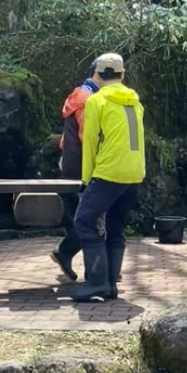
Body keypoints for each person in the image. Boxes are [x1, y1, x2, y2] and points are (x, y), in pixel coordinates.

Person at [69, 52, 146, 303]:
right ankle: (110, 285)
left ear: (98, 75)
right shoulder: (136, 102)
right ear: (123, 75)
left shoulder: (97, 101)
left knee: (83, 221)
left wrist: (86, 180)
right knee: (116, 227)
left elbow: (90, 144)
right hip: (134, 175)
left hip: (109, 173)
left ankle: (97, 282)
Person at [49, 60, 99, 281]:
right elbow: (88, 138)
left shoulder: (78, 94)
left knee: (87, 218)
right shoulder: (89, 101)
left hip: (70, 163)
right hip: (81, 167)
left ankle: (70, 256)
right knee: (92, 219)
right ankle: (93, 270)